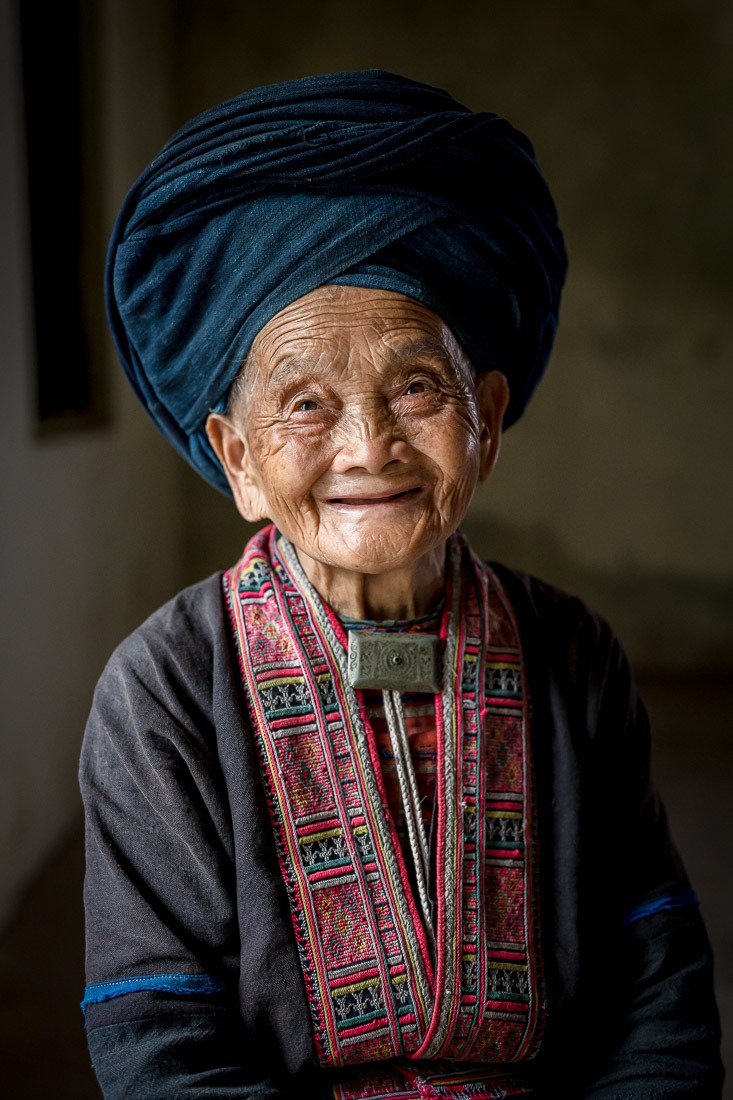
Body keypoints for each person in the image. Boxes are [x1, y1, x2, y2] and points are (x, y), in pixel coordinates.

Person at [80, 71, 722, 1099]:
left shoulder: (572, 652)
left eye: (417, 386)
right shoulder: (160, 690)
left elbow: (659, 991)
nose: (367, 447)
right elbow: (159, 1043)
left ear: (488, 418)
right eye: (304, 401)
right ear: (239, 459)